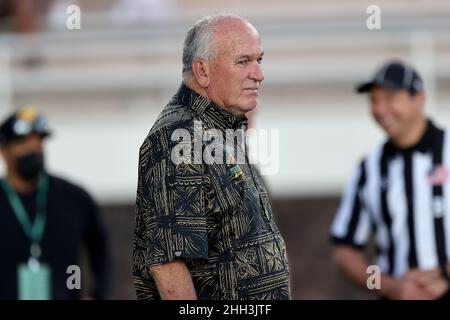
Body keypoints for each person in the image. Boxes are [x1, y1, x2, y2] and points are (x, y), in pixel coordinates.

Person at [133, 14, 290, 300]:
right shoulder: (180, 138)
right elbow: (169, 264)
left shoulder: (221, 128)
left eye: (259, 60)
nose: (258, 74)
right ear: (202, 71)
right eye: (243, 62)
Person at [330, 60, 450, 300]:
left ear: (420, 99)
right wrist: (395, 288)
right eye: (374, 100)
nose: (381, 109)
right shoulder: (370, 167)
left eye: (391, 98)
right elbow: (345, 252)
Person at [0, 107, 110, 300]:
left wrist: (96, 294)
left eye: (39, 140)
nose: (33, 147)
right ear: (4, 149)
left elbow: (100, 248)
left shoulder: (74, 198)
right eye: (24, 141)